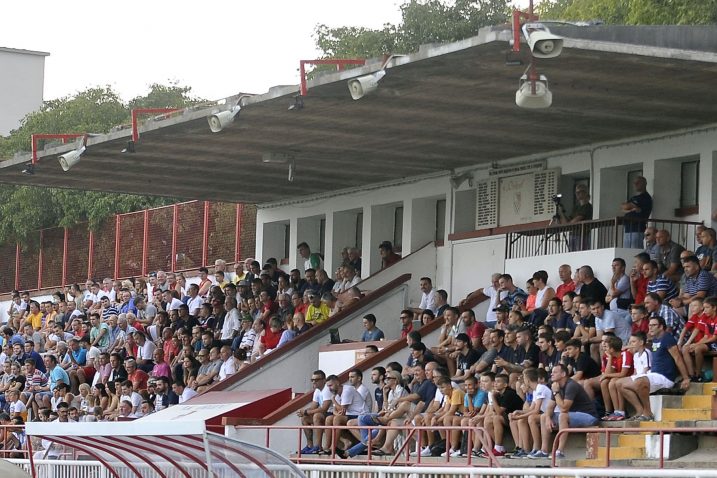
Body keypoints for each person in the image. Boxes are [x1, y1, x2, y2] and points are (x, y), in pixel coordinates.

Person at [619, 316, 690, 421]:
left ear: (661, 327)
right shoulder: (656, 339)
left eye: (653, 325)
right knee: (619, 384)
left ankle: (648, 413)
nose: (650, 327)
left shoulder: (667, 338)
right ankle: (640, 411)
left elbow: (677, 358)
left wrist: (686, 378)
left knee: (640, 381)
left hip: (665, 377)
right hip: (654, 375)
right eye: (649, 325)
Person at [532, 363, 598, 459]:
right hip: (572, 415)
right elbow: (550, 407)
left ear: (563, 374)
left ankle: (559, 451)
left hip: (588, 416)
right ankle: (544, 451)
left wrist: (556, 392)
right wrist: (547, 418)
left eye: (555, 372)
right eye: (552, 372)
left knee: (562, 415)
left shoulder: (571, 385)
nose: (551, 374)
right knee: (543, 416)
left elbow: (564, 408)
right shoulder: (556, 386)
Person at [558, 183, 593, 251]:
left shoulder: (587, 206)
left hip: (582, 235)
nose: (577, 194)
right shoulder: (576, 207)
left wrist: (568, 224)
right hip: (573, 234)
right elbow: (567, 222)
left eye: (580, 192)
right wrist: (561, 213)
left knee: (581, 254)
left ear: (585, 193)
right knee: (572, 254)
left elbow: (575, 221)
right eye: (576, 192)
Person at [621, 175, 652, 248]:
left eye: (638, 182)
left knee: (635, 251)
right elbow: (623, 207)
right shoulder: (633, 197)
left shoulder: (645, 197)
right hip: (628, 229)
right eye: (634, 183)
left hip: (637, 229)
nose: (635, 184)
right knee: (626, 251)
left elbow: (626, 206)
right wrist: (632, 208)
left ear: (644, 183)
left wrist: (629, 207)